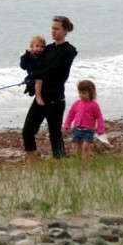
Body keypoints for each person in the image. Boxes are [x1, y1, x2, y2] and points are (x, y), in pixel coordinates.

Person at [22, 15, 78, 164]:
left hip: (55, 98)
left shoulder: (68, 51)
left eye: (57, 29)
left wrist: (34, 75)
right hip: (41, 96)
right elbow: (34, 62)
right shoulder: (47, 49)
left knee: (55, 134)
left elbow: (54, 70)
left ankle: (60, 164)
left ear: (65, 30)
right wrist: (27, 60)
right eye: (52, 28)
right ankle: (33, 166)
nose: (53, 31)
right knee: (27, 131)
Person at [63, 79, 105, 159]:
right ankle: (79, 162)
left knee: (85, 147)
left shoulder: (94, 105)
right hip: (77, 129)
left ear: (91, 93)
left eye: (84, 93)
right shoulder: (77, 103)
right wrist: (67, 124)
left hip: (88, 130)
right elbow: (71, 114)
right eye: (80, 93)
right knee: (78, 148)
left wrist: (101, 129)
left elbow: (99, 117)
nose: (81, 95)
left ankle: (86, 163)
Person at [20, 34, 47, 105]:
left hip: (40, 74)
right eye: (37, 46)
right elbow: (23, 66)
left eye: (42, 46)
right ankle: (38, 96)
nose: (39, 48)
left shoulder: (43, 55)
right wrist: (25, 55)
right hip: (32, 75)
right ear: (32, 47)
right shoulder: (28, 55)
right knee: (38, 81)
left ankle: (39, 96)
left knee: (40, 80)